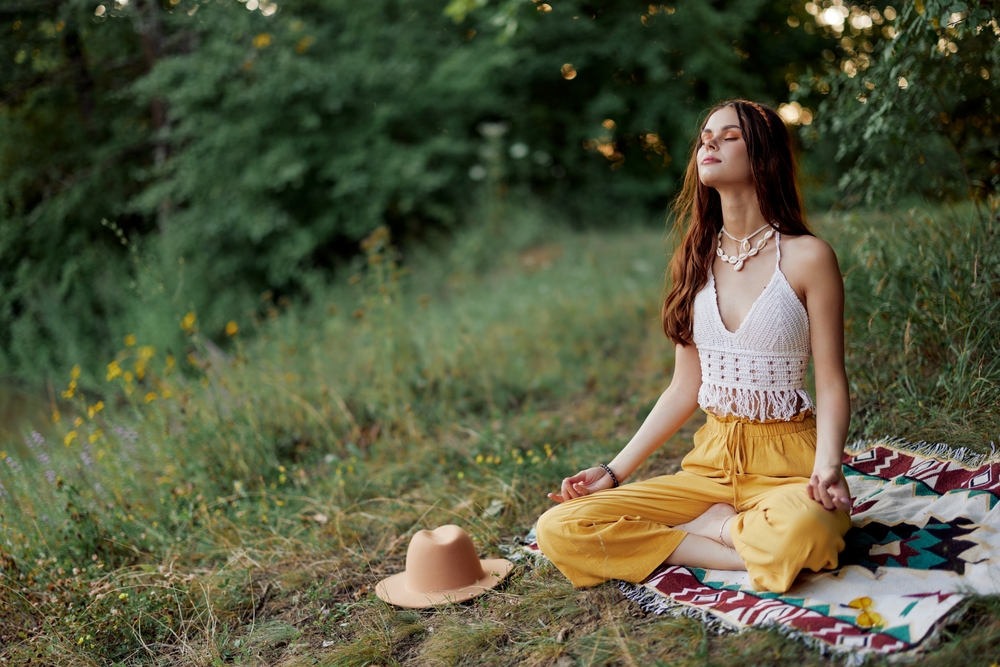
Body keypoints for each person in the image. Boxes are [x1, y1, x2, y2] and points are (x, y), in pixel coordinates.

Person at [534, 99, 853, 594]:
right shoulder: (695, 258)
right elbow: (685, 387)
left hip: (788, 460)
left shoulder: (809, 257)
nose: (709, 142)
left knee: (809, 533)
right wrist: (612, 472)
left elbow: (832, 383)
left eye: (729, 136)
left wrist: (828, 465)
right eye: (706, 134)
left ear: (764, 155)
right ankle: (724, 535)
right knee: (558, 528)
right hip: (710, 463)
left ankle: (710, 531)